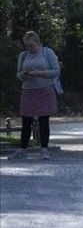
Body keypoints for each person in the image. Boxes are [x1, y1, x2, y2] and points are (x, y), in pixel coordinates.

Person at [9, 31, 59, 161]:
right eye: (27, 45)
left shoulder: (47, 53)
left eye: (31, 45)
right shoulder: (23, 55)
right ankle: (22, 149)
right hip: (28, 90)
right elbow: (18, 74)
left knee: (43, 121)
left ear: (37, 43)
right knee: (26, 121)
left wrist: (41, 73)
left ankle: (44, 149)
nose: (29, 48)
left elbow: (56, 71)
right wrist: (24, 75)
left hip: (44, 89)